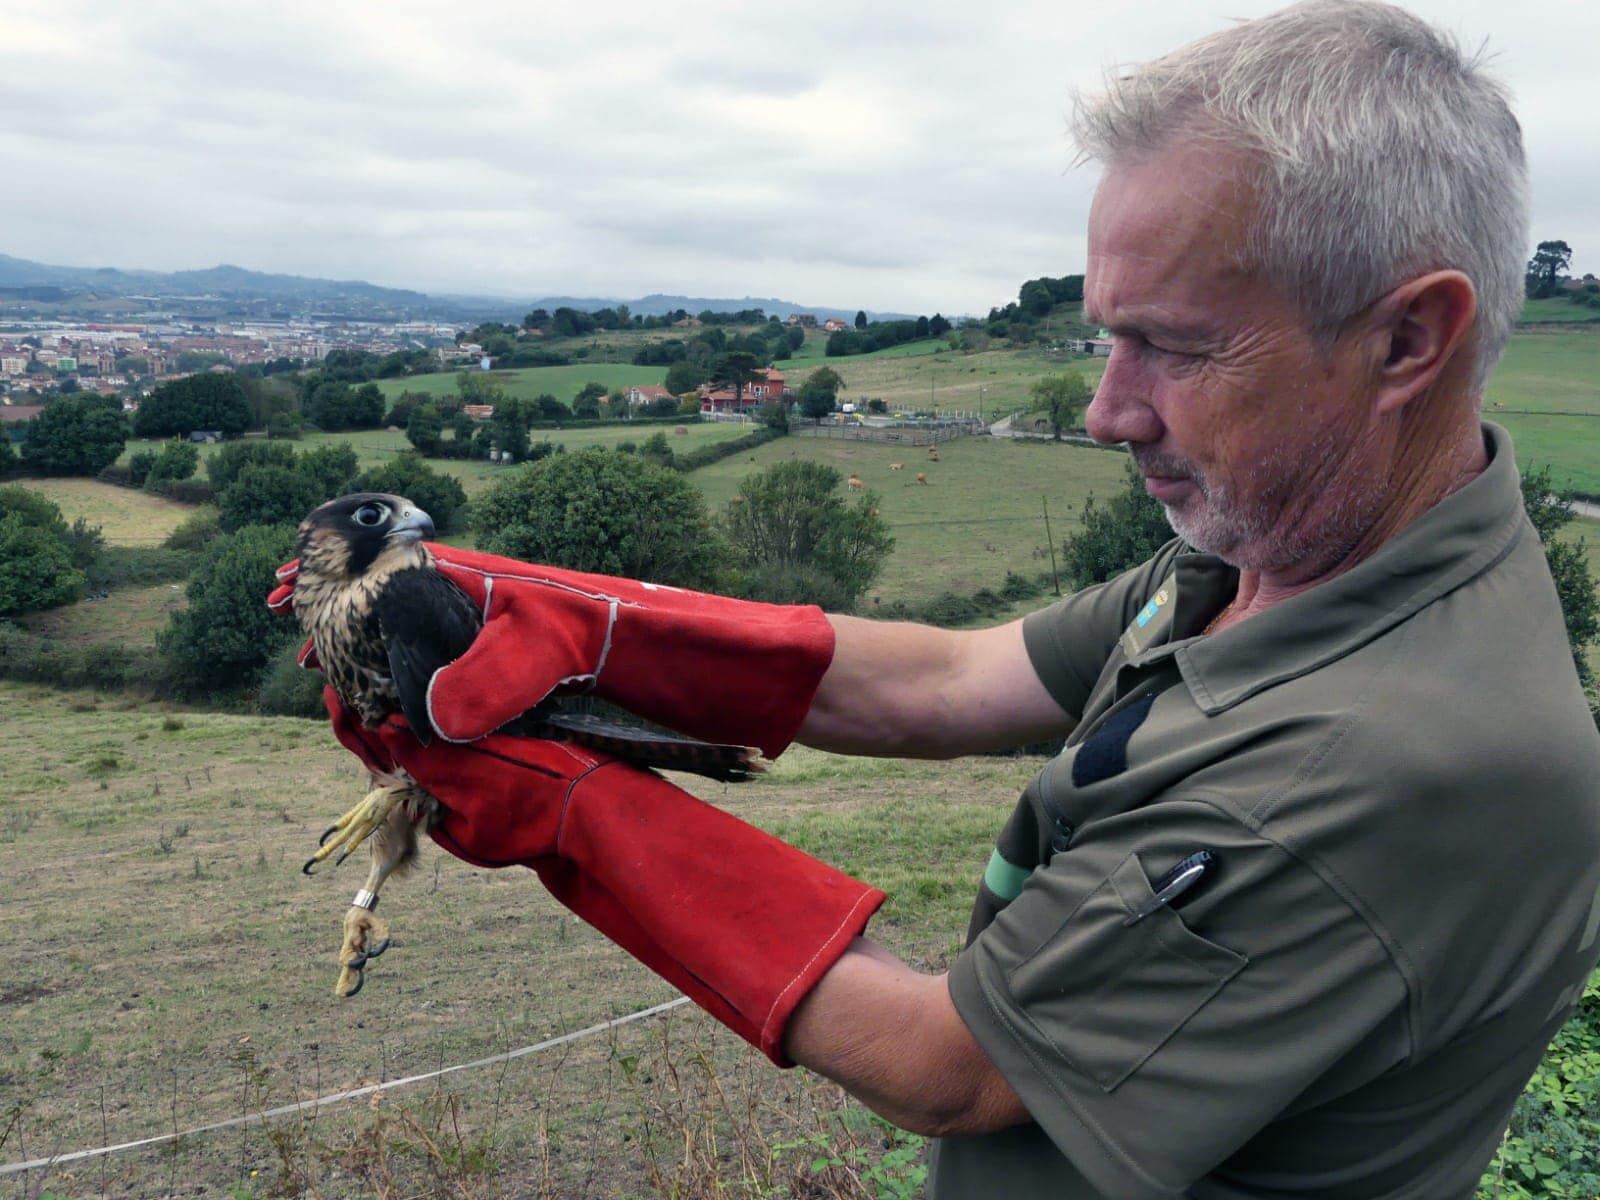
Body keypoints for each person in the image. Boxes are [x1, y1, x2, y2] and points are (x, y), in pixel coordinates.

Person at [273, 2, 1600, 1195]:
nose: (1105, 409)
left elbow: (948, 1063)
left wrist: (572, 802)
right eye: (1105, 335)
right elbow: (953, 682)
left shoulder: (1394, 755)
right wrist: (557, 614)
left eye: (1178, 347)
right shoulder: (1282, 549)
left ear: (1408, 341)